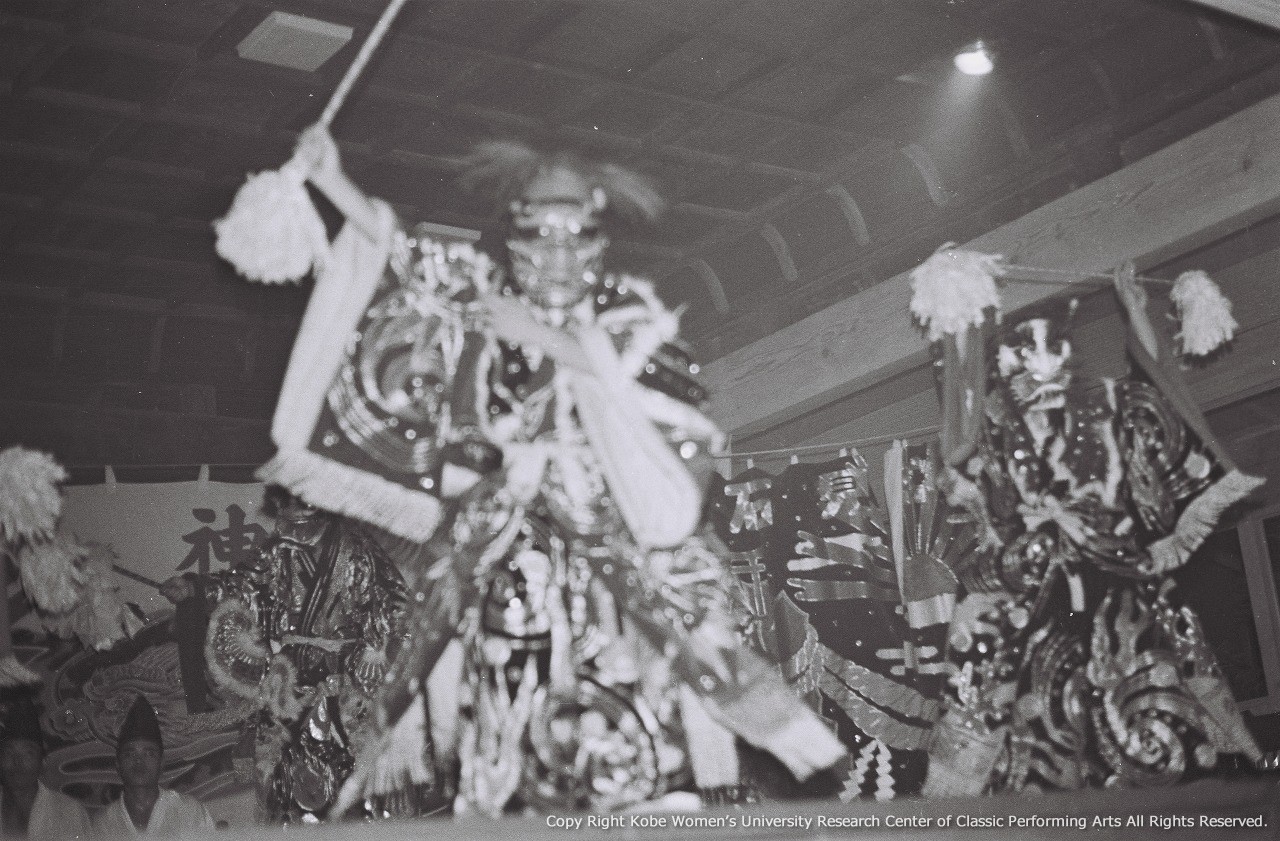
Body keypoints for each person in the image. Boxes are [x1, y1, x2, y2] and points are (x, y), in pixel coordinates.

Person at [249, 126, 845, 817]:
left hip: (615, 555)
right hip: (506, 551)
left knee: (633, 715)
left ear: (597, 242)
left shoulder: (627, 316)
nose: (558, 257)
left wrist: (544, 340)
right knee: (499, 711)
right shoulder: (485, 311)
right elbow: (408, 264)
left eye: (575, 238)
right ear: (517, 242)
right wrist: (332, 180)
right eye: (541, 238)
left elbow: (659, 397)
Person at [923, 270, 1263, 795]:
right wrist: (957, 322)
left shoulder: (1103, 419)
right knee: (1010, 695)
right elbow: (961, 434)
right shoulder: (994, 435)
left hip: (1114, 580)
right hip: (1032, 586)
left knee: (1157, 681)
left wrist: (1138, 316)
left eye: (1051, 359)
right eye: (1022, 364)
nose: (1040, 376)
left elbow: (1151, 400)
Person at [159, 490, 407, 824]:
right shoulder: (277, 550)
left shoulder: (358, 549)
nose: (291, 513)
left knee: (354, 774)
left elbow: (397, 603)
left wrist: (375, 647)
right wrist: (194, 588)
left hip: (345, 678)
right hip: (291, 678)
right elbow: (242, 584)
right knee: (284, 775)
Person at [93, 695, 213, 837]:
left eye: (149, 753)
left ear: (161, 763)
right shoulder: (104, 822)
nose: (139, 761)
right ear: (118, 765)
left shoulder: (189, 811)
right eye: (130, 754)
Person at [0, 693, 92, 839]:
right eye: (8, 753)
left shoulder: (68, 812)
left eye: (28, 753)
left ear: (43, 763)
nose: (17, 761)